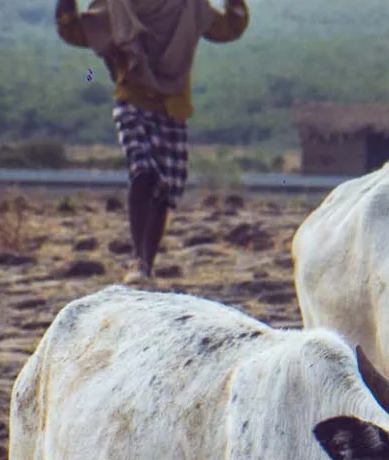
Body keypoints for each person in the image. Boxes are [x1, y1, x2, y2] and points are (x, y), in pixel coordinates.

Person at [57, 0, 250, 284]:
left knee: (164, 187)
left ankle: (147, 262)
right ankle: (139, 259)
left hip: (172, 108)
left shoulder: (190, 6)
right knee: (143, 170)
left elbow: (229, 28)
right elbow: (76, 31)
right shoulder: (118, 5)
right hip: (132, 101)